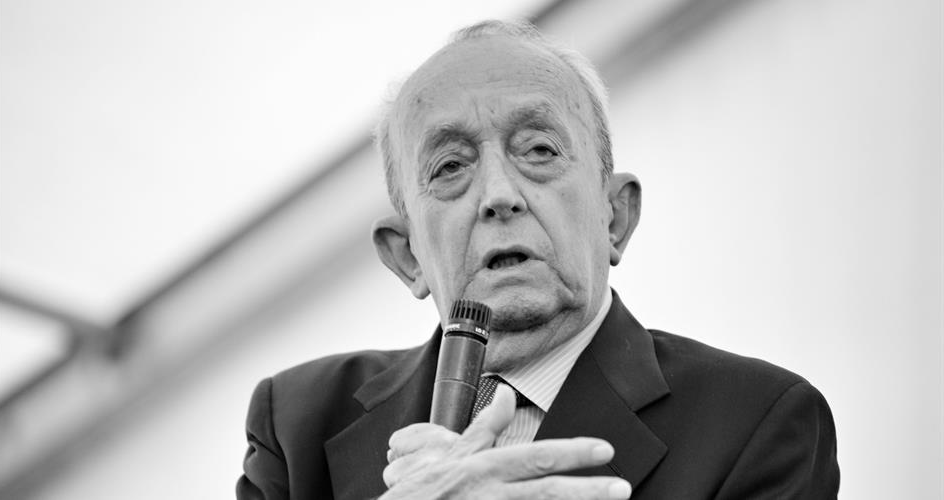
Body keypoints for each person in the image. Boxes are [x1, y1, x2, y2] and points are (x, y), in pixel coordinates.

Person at [237, 20, 839, 499]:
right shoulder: (296, 423)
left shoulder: (756, 421)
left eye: (540, 150)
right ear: (407, 255)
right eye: (450, 166)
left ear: (615, 217)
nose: (499, 195)